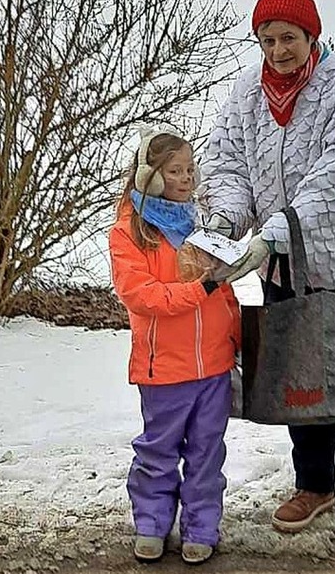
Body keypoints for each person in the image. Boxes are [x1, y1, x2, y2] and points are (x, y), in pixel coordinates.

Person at [199, 0, 335, 562]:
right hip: (281, 268)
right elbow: (227, 164)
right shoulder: (247, 95)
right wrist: (225, 226)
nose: (277, 51)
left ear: (312, 37)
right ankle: (314, 486)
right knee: (302, 383)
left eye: (289, 38)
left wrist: (272, 234)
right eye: (267, 39)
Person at [109, 129, 240, 565]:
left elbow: (220, 291)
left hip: (214, 367)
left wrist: (237, 334)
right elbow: (141, 295)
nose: (186, 179)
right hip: (163, 369)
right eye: (174, 171)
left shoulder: (200, 223)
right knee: (158, 450)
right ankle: (151, 521)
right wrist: (199, 289)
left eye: (189, 169)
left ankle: (201, 526)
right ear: (152, 176)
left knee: (207, 452)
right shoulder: (130, 232)